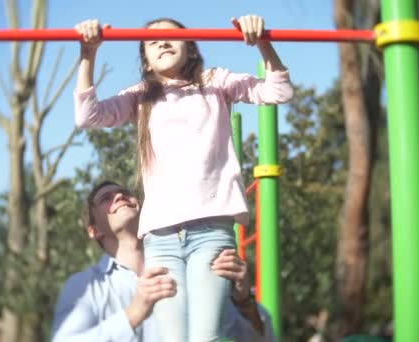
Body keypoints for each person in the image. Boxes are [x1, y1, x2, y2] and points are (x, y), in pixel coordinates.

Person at [73, 15, 293, 341]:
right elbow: (88, 115)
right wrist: (88, 53)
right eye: (151, 42)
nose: (162, 43)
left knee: (206, 336)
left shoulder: (215, 82)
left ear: (189, 47)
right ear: (145, 59)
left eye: (171, 37)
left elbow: (279, 90)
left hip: (209, 231)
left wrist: (262, 42)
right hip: (160, 239)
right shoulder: (141, 95)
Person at [51, 181, 274, 341]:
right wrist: (134, 313)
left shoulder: (190, 270)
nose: (119, 197)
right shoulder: (84, 287)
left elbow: (260, 338)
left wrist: (244, 301)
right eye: (105, 199)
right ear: (94, 230)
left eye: (124, 193)